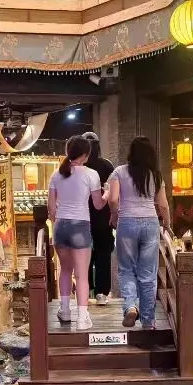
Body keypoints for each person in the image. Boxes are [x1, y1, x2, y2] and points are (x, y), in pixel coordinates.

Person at [107, 135, 171, 329]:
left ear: (131, 153)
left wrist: (115, 216)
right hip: (150, 223)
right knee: (148, 273)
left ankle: (130, 307)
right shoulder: (156, 175)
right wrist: (167, 224)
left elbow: (112, 199)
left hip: (127, 223)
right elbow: (163, 205)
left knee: (127, 269)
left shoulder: (119, 172)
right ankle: (148, 321)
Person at [48, 135, 105, 328]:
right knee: (81, 275)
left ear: (68, 151)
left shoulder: (56, 174)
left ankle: (64, 310)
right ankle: (82, 318)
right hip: (80, 226)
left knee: (65, 270)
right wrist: (106, 194)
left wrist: (57, 223)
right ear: (86, 154)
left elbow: (51, 209)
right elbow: (98, 205)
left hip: (60, 226)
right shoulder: (91, 174)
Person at [83, 130, 115, 304]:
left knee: (84, 254)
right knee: (103, 254)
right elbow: (113, 193)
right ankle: (102, 293)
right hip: (103, 217)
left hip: (82, 218)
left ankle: (86, 290)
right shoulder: (107, 166)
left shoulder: (77, 167)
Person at [32, 202, 57, 301]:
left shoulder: (39, 227)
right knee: (47, 277)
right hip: (43, 257)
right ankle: (48, 296)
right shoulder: (43, 227)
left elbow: (40, 245)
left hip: (41, 257)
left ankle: (47, 296)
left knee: (45, 277)